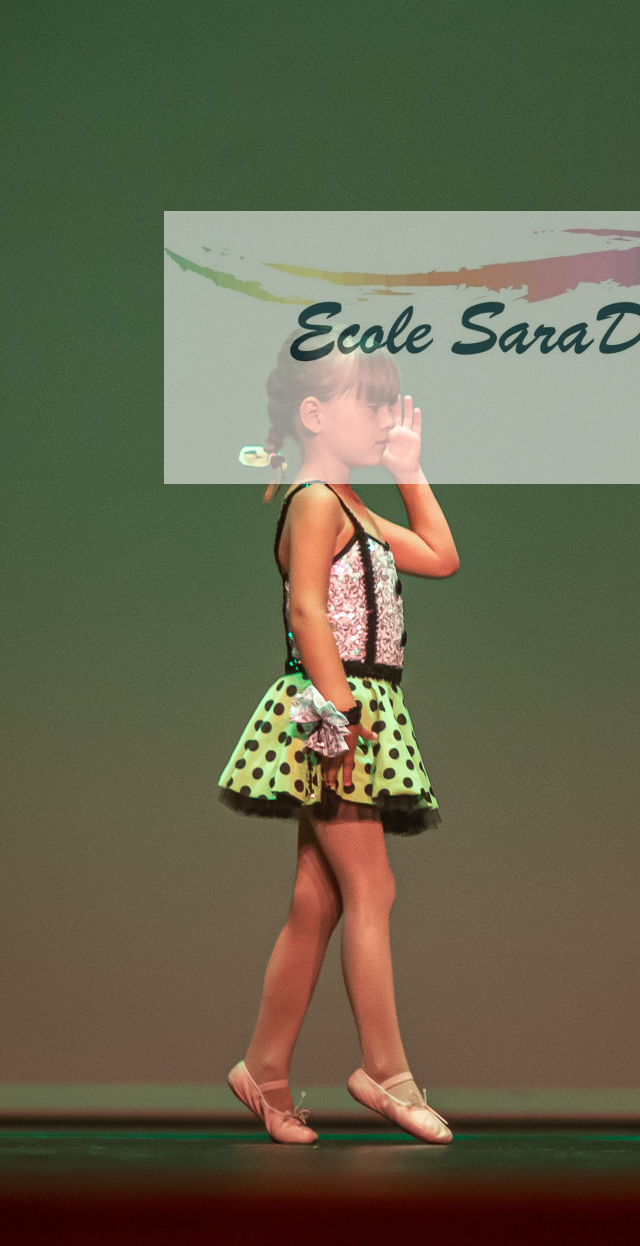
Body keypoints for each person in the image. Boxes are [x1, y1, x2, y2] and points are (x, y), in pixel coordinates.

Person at [218, 338, 459, 1145]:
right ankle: (385, 1069)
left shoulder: (353, 503)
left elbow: (441, 556)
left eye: (392, 401)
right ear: (316, 413)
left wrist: (410, 468)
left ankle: (264, 1066)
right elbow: (307, 609)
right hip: (334, 706)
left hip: (355, 703)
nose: (387, 415)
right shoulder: (316, 497)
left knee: (317, 898)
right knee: (372, 886)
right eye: (373, 402)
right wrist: (341, 711)